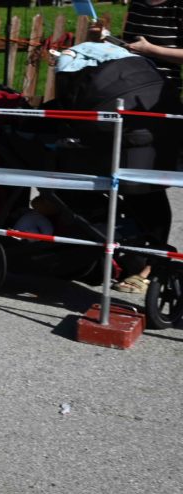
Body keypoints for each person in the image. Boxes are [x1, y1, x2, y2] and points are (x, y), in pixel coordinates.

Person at [112, 0, 182, 294]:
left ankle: (152, 266)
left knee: (148, 187)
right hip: (127, 97)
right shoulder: (139, 4)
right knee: (126, 185)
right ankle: (135, 255)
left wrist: (151, 50)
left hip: (159, 104)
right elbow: (129, 47)